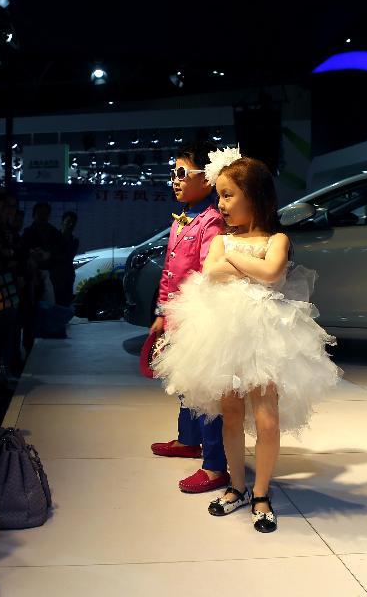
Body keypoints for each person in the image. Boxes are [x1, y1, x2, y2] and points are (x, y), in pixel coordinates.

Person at [151, 149, 341, 533]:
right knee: (230, 413)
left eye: (227, 195)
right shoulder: (221, 240)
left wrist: (236, 263)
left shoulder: (278, 238)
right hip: (224, 333)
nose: (220, 204)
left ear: (254, 195)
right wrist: (243, 265)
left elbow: (272, 273)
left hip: (266, 334)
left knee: (267, 418)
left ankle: (261, 492)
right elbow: (211, 272)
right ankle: (236, 486)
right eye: (219, 195)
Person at [148, 141, 230, 494]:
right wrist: (162, 313)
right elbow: (169, 272)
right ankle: (187, 439)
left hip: (199, 316)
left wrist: (193, 319)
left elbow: (209, 275)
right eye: (173, 174)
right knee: (184, 383)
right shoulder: (182, 219)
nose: (175, 180)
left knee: (205, 392)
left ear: (206, 181)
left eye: (182, 173)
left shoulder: (211, 222)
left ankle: (215, 466)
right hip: (179, 315)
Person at [50, 211, 79, 306]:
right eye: (68, 222)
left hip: (67, 276)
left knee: (65, 304)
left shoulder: (74, 240)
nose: (71, 225)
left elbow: (67, 256)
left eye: (73, 223)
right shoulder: (53, 237)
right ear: (62, 222)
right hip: (55, 277)